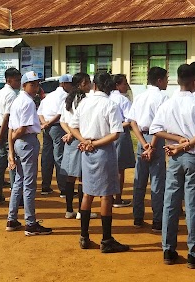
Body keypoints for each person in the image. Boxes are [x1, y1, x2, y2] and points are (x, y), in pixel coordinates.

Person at [150, 64, 195, 268]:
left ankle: (168, 250)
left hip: (175, 159)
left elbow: (156, 129)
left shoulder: (168, 103)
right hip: (193, 158)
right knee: (194, 205)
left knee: (170, 202)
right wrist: (184, 143)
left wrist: (177, 142)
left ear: (177, 81)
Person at [69, 72, 128, 253]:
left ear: (94, 85)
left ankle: (84, 236)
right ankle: (106, 239)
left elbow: (73, 125)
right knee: (106, 195)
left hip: (87, 151)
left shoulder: (84, 102)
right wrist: (93, 143)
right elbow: (115, 133)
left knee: (87, 193)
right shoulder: (110, 104)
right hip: (103, 150)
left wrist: (84, 141)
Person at [5, 71, 53, 235]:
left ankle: (12, 219)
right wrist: (14, 139)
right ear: (24, 85)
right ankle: (30, 223)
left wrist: (11, 148)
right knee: (29, 184)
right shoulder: (27, 102)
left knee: (19, 181)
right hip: (27, 141)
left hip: (20, 144)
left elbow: (12, 129)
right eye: (32, 84)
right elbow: (21, 129)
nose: (35, 86)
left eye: (37, 83)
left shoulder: (19, 100)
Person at [127, 67, 169, 233]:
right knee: (157, 181)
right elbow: (161, 124)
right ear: (159, 80)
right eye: (166, 78)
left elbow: (132, 122)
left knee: (140, 180)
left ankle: (138, 217)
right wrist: (151, 145)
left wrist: (144, 143)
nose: (167, 81)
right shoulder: (163, 97)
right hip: (155, 139)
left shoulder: (140, 97)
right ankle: (157, 220)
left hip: (142, 139)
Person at [60, 73, 95, 220]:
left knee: (70, 177)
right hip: (81, 140)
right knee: (82, 177)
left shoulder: (67, 99)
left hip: (71, 141)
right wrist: (75, 135)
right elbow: (84, 123)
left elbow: (63, 121)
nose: (90, 85)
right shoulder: (84, 101)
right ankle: (81, 210)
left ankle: (69, 210)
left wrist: (69, 133)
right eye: (88, 83)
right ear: (82, 84)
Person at [37, 74, 73, 196]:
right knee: (59, 156)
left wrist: (44, 124)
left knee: (47, 156)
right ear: (64, 84)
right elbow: (59, 114)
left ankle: (45, 186)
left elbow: (40, 112)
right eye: (71, 84)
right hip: (57, 127)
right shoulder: (65, 96)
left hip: (47, 128)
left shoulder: (50, 95)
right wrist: (48, 123)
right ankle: (63, 188)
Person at [0, 68, 21, 205]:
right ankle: (16, 195)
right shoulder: (12, 95)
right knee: (13, 162)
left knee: (1, 163)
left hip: (0, 130)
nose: (19, 83)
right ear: (9, 80)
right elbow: (7, 117)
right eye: (17, 80)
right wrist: (2, 136)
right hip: (7, 131)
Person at [109, 74, 133, 208]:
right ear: (117, 85)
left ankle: (109, 196)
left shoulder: (107, 97)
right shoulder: (122, 99)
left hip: (107, 135)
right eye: (124, 83)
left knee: (109, 165)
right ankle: (117, 198)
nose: (126, 86)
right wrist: (118, 126)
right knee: (120, 168)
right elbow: (129, 119)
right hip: (120, 134)